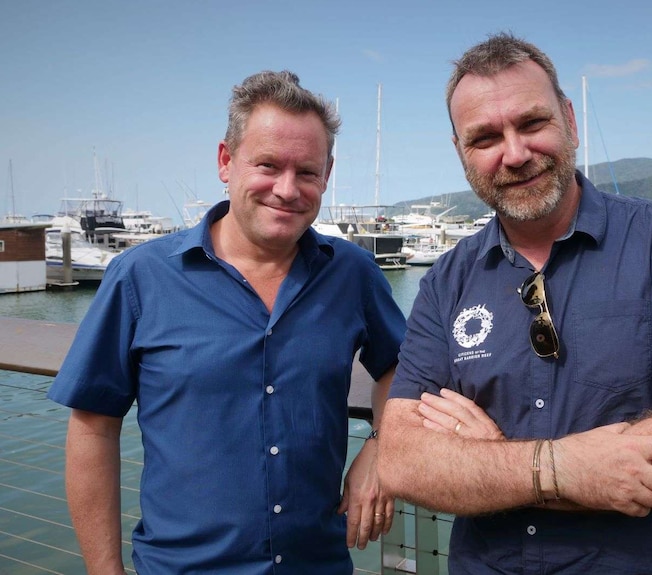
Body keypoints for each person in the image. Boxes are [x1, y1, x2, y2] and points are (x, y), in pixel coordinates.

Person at [378, 33, 652, 575]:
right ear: (462, 154)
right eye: (485, 137)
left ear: (569, 121)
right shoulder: (447, 278)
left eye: (532, 124)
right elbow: (403, 461)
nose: (515, 153)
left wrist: (486, 463)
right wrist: (556, 468)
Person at [48, 70, 406, 574]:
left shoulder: (352, 273)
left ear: (327, 173)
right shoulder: (141, 277)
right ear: (226, 161)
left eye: (307, 171)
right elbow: (92, 428)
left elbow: (404, 367)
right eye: (267, 165)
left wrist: (381, 446)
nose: (287, 189)